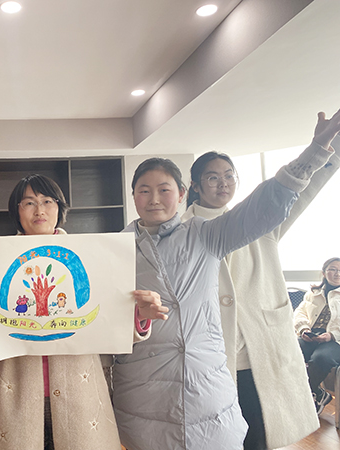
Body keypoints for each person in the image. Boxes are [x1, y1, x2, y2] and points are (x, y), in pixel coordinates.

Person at [112, 107, 340, 450]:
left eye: (164, 189)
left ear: (181, 193)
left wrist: (317, 150)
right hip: (146, 380)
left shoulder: (207, 233)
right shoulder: (116, 248)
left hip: (214, 372)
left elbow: (272, 201)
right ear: (133, 196)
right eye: (144, 190)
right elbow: (107, 314)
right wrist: (136, 318)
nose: (154, 198)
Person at [0, 174, 167, 450]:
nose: (39, 210)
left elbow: (109, 326)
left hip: (81, 396)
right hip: (15, 394)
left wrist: (139, 317)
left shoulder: (93, 256)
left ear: (60, 208)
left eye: (48, 201)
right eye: (29, 202)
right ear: (16, 211)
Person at [180, 117, 339, 449]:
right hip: (210, 360)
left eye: (229, 176)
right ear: (195, 185)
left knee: (260, 438)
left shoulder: (260, 220)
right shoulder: (182, 232)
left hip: (260, 354)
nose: (223, 184)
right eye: (213, 177)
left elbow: (302, 190)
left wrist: (327, 149)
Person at [294, 257, 340, 415]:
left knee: (321, 358)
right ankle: (319, 394)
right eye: (332, 269)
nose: (337, 273)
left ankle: (304, 396)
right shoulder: (313, 293)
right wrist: (303, 329)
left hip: (335, 340)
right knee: (290, 353)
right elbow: (299, 313)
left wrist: (331, 335)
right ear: (324, 273)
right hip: (311, 335)